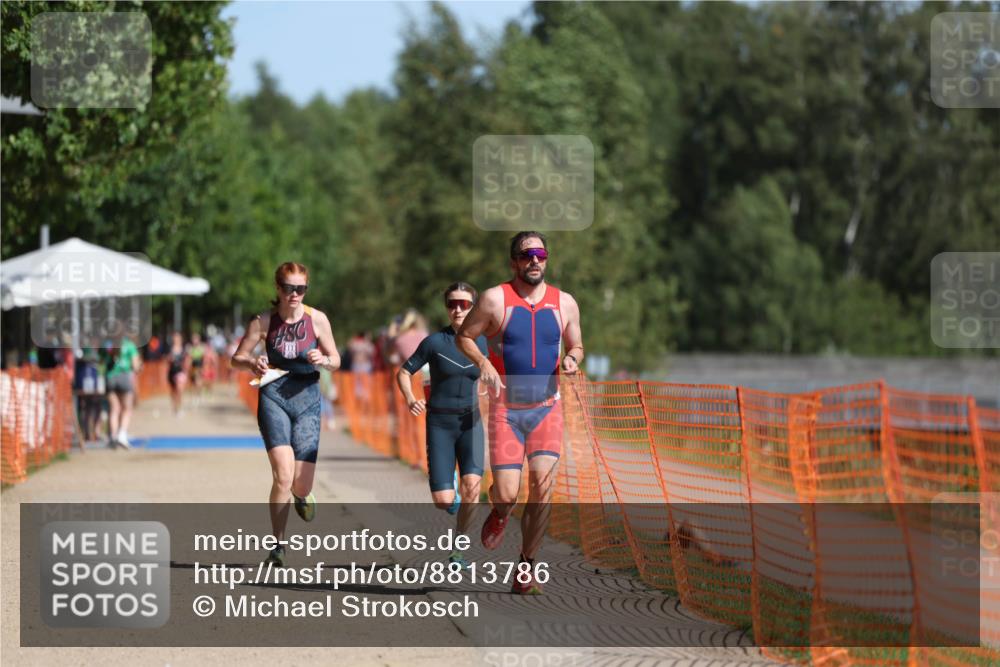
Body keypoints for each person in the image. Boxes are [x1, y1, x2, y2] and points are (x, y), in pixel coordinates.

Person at [456, 231, 584, 595]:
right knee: (508, 494)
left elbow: (577, 343)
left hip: (547, 410)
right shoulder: (496, 300)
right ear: (513, 261)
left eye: (540, 254)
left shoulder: (565, 303)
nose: (534, 261)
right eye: (526, 255)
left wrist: (573, 358)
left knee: (542, 488)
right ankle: (500, 511)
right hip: (506, 413)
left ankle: (526, 565)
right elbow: (464, 336)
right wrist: (483, 362)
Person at [231, 262, 340, 567]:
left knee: (299, 484)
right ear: (278, 289)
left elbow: (337, 359)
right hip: (273, 396)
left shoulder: (317, 319)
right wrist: (252, 362)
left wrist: (325, 359)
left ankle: (303, 495)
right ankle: (278, 545)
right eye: (289, 288)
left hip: (307, 399)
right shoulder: (263, 321)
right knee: (282, 476)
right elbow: (235, 358)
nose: (295, 294)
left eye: (301, 289)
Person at [396, 283, 487, 569]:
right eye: (452, 303)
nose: (457, 309)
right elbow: (404, 372)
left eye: (464, 303)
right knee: (443, 500)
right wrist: (411, 398)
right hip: (440, 424)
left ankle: (458, 551)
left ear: (474, 307)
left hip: (470, 423)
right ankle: (454, 500)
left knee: (473, 485)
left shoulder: (485, 342)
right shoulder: (434, 342)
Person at [103, 334, 142, 449]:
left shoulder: (108, 346)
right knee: (127, 408)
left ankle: (113, 437)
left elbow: (102, 360)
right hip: (124, 377)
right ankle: (122, 434)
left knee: (114, 409)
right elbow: (135, 367)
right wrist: (139, 367)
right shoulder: (130, 346)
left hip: (110, 377)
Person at [166, 332, 190, 416]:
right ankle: (174, 407)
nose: (176, 340)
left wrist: (186, 370)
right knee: (173, 391)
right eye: (174, 338)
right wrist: (170, 359)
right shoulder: (170, 349)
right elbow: (167, 360)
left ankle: (179, 408)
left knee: (179, 390)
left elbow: (187, 360)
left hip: (180, 372)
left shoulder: (184, 349)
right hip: (172, 372)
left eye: (177, 338)